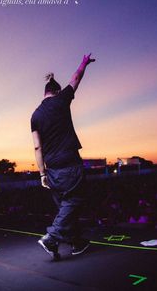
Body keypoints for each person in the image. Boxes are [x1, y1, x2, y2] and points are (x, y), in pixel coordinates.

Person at [31, 53, 95, 260]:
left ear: (44, 93)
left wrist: (42, 174)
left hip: (51, 168)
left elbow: (37, 148)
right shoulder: (61, 101)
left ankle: (77, 242)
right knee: (74, 199)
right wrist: (84, 62)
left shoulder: (35, 116)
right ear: (56, 92)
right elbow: (75, 79)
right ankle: (51, 238)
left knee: (65, 208)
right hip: (69, 163)